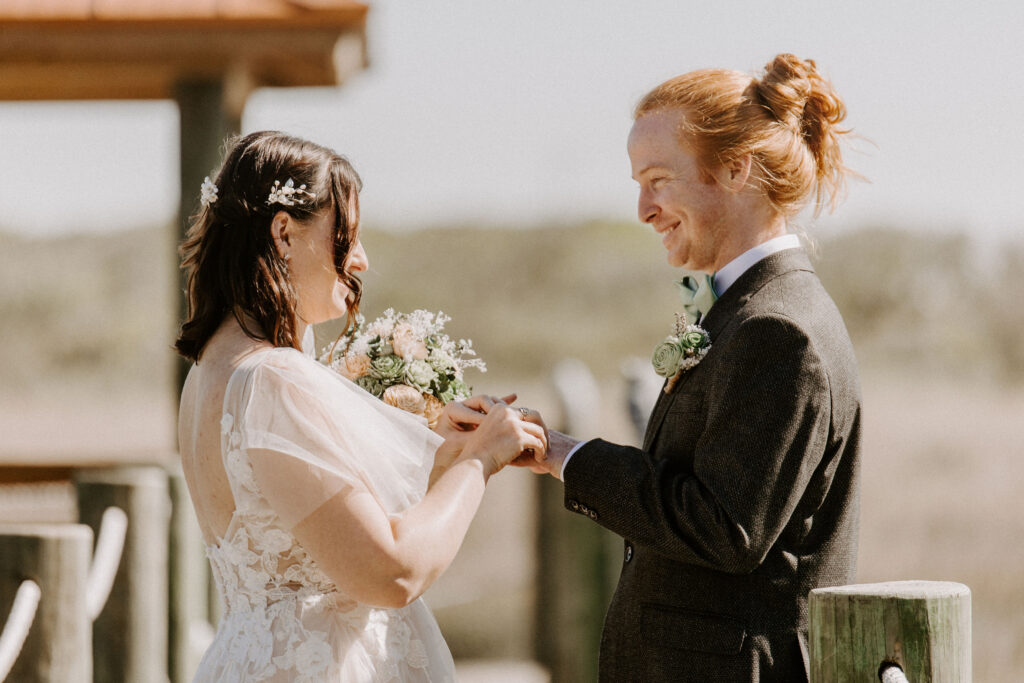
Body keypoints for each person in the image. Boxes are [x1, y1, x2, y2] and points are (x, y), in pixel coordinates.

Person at [525, 54, 861, 681]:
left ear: (736, 169)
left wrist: (567, 456)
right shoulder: (744, 309)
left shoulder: (778, 329)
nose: (643, 208)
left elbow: (726, 527)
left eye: (658, 180)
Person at [175, 131, 546, 682]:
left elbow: (313, 528)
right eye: (347, 236)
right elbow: (389, 574)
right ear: (284, 233)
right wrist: (481, 461)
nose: (363, 261)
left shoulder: (207, 375)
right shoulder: (275, 379)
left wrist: (441, 455)